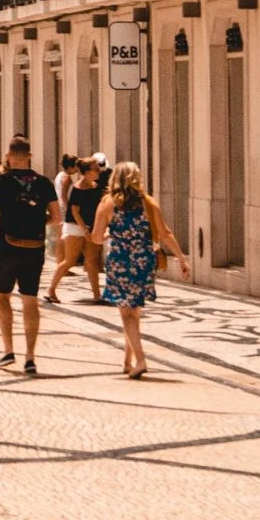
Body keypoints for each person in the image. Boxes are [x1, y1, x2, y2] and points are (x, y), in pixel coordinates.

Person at [0, 136, 58, 377]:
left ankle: (8, 350)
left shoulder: (1, 182)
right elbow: (56, 217)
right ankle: (31, 357)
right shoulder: (44, 183)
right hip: (35, 249)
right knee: (30, 300)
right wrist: (39, 221)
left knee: (2, 297)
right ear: (30, 156)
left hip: (7, 248)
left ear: (9, 156)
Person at [93, 161, 182, 378]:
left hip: (120, 262)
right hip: (144, 262)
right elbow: (164, 233)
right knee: (134, 312)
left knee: (126, 313)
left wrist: (107, 235)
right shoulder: (148, 203)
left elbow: (96, 237)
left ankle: (140, 360)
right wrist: (181, 258)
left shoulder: (108, 203)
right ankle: (127, 360)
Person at [47, 155, 105, 305]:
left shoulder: (95, 187)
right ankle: (51, 289)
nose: (98, 170)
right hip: (75, 226)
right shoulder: (78, 188)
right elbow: (75, 211)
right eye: (95, 169)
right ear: (86, 172)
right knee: (70, 260)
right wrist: (84, 230)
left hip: (90, 227)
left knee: (92, 261)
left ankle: (97, 295)